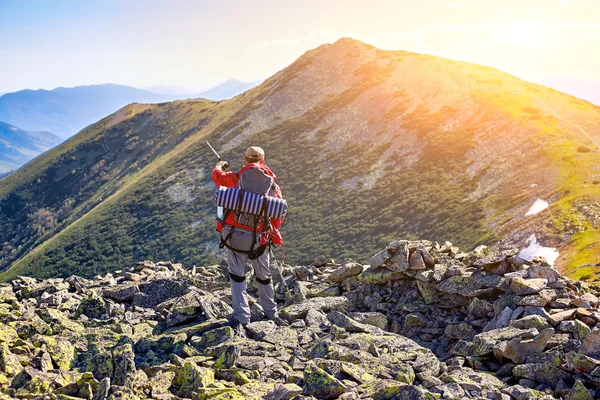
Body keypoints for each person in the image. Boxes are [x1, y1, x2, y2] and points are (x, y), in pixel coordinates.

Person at [212, 146, 286, 327]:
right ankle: (271, 313)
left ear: (245, 160)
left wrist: (219, 166)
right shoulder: (272, 185)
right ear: (262, 161)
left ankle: (242, 318)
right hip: (259, 239)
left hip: (234, 236)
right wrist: (269, 231)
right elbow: (277, 217)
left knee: (237, 277)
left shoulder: (236, 178)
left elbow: (217, 177)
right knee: (264, 276)